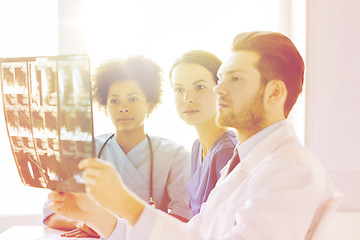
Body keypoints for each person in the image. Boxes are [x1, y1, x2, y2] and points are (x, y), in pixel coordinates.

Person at [49, 31, 335, 239]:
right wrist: (92, 213)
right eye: (221, 78)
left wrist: (125, 203)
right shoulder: (243, 164)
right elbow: (192, 235)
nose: (218, 89)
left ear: (274, 92)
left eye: (235, 79)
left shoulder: (293, 171)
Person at [44, 56, 191, 237]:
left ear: (150, 105)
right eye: (114, 101)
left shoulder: (174, 155)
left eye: (133, 99)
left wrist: (110, 225)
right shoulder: (84, 150)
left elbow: (184, 219)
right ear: (104, 106)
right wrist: (87, 222)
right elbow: (52, 212)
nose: (123, 107)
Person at [170, 50, 237, 216]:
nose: (188, 98)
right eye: (179, 89)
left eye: (199, 87)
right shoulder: (197, 147)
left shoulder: (228, 153)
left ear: (221, 89)